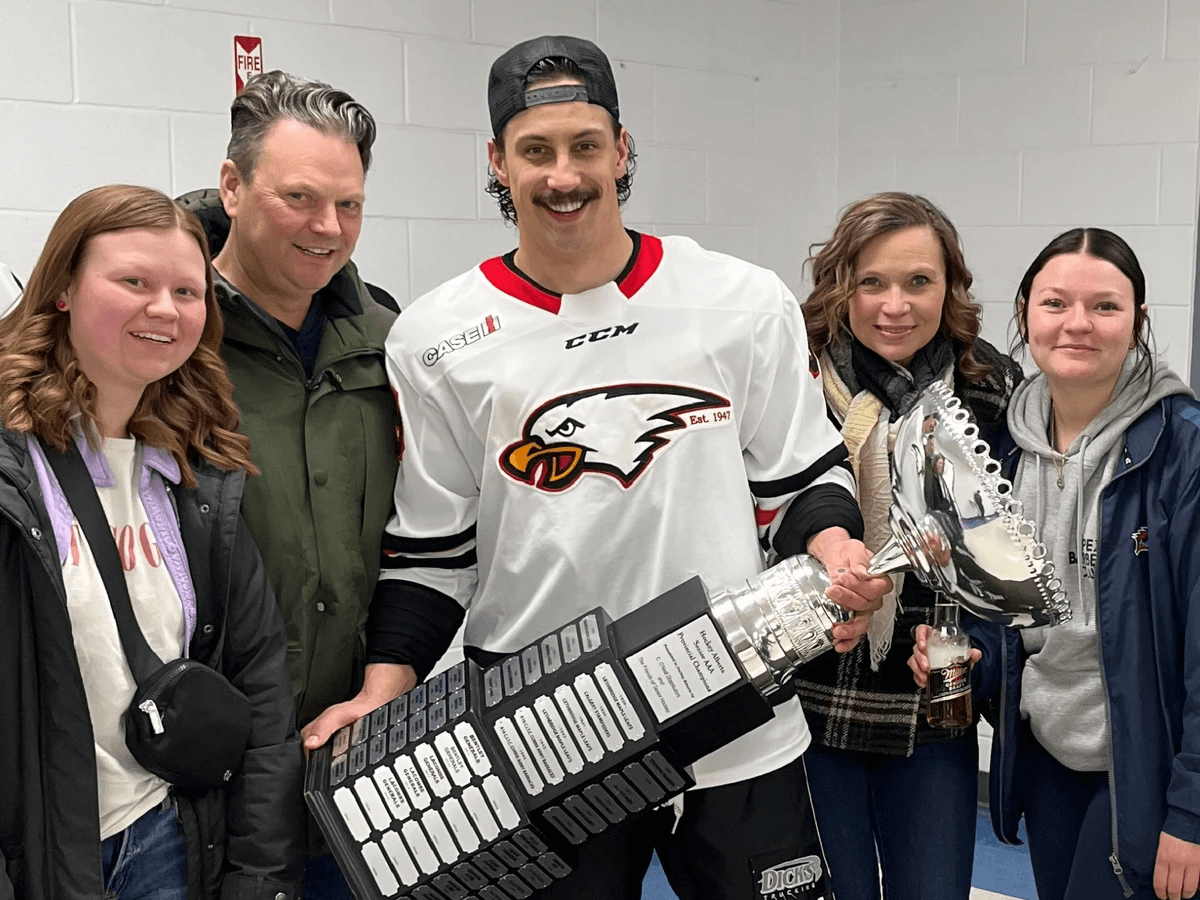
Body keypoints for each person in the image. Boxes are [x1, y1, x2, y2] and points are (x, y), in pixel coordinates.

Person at [301, 34, 891, 899]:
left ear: (622, 150)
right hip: (543, 727)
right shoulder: (433, 336)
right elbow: (432, 551)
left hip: (733, 706)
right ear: (497, 161)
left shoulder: (738, 298)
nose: (563, 175)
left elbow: (801, 477)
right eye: (535, 151)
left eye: (585, 146)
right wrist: (381, 689)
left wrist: (834, 545)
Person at [0, 184, 304, 900]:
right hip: (36, 853)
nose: (165, 309)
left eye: (187, 291)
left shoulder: (197, 470)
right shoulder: (14, 468)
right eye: (133, 282)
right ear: (65, 288)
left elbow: (258, 680)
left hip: (168, 840)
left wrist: (260, 875)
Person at [911, 227, 1200, 900]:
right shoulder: (1006, 451)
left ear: (1138, 322)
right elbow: (1014, 610)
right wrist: (974, 655)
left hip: (1142, 766)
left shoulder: (1179, 452)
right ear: (1025, 316)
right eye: (1055, 304)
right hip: (1046, 755)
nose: (1077, 324)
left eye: (1105, 306)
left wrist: (1190, 811)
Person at [175, 70, 400, 897]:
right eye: (300, 198)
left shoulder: (386, 340)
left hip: (351, 752)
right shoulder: (166, 337)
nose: (327, 228)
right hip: (199, 772)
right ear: (232, 186)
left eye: (349, 205)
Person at [796, 192, 1023, 900]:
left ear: (949, 287)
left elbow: (1009, 559)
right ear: (841, 286)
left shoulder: (989, 387)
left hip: (931, 703)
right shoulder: (793, 382)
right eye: (873, 282)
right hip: (807, 700)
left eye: (918, 282)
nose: (895, 305)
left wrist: (977, 651)